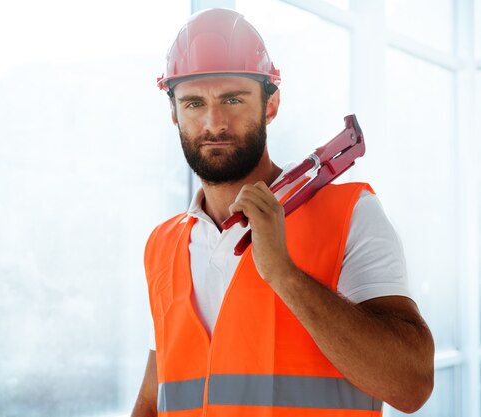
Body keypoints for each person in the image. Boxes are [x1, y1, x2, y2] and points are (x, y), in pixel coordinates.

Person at [132, 8, 434, 417]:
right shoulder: (161, 247)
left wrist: (284, 275)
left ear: (270, 105)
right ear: (173, 113)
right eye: (193, 103)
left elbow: (411, 385)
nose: (213, 122)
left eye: (232, 99)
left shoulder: (349, 214)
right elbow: (154, 399)